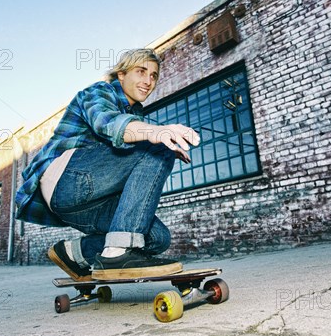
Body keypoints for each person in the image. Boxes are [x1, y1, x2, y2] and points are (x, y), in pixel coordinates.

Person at [15, 49, 200, 281]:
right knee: (158, 148)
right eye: (141, 72)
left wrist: (153, 141)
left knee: (157, 238)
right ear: (121, 74)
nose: (148, 81)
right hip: (66, 183)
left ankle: (75, 253)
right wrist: (155, 133)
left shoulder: (136, 115)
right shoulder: (99, 92)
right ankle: (116, 254)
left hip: (88, 205)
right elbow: (107, 122)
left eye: (153, 76)